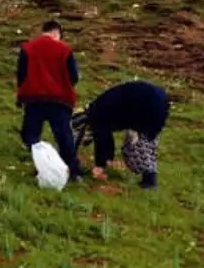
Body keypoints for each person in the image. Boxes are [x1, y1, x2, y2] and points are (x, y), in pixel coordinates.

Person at [71, 80, 169, 189]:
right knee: (144, 142)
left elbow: (101, 138)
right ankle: (149, 177)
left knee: (137, 146)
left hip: (147, 105)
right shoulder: (97, 107)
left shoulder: (97, 114)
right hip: (158, 100)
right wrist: (107, 159)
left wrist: (100, 165)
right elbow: (105, 135)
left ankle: (150, 181)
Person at [16, 20, 82, 179]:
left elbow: (21, 74)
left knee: (31, 135)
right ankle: (73, 172)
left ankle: (42, 166)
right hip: (59, 100)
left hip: (34, 99)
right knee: (64, 136)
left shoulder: (28, 48)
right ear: (56, 33)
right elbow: (73, 76)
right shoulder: (64, 50)